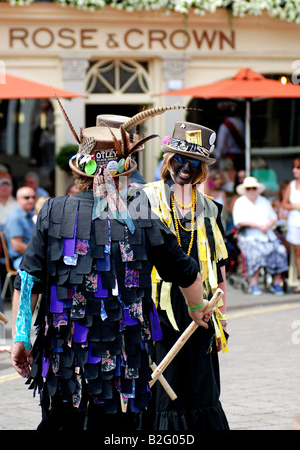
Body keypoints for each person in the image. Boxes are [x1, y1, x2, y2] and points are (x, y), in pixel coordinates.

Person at [11, 110, 211, 432]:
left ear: (80, 170)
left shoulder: (51, 210)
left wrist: (20, 336)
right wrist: (197, 307)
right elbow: (186, 271)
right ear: (124, 172)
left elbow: (29, 280)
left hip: (65, 362)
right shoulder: (141, 213)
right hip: (123, 363)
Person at [141, 121, 229, 430]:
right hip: (158, 309)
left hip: (201, 308)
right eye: (180, 159)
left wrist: (221, 322)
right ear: (167, 160)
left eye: (195, 162)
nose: (186, 168)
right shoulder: (144, 200)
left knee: (201, 387)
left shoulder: (211, 208)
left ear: (203, 168)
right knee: (166, 390)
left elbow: (219, 267)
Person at [232, 176, 288, 295]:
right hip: (249, 236)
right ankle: (254, 283)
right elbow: (239, 221)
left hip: (267, 235)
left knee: (280, 250)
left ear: (257, 189)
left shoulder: (264, 201)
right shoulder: (240, 202)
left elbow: (273, 218)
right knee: (256, 253)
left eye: (254, 188)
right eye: (249, 188)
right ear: (245, 190)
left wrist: (267, 225)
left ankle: (276, 283)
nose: (252, 191)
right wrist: (258, 226)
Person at [4, 186, 36, 270]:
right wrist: (39, 252)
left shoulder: (32, 215)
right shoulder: (15, 217)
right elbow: (17, 246)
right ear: (18, 199)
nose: (31, 200)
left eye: (33, 197)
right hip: (21, 259)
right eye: (26, 197)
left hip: (32, 256)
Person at [281, 158, 300, 292]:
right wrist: (295, 206)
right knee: (298, 252)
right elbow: (284, 204)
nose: (295, 170)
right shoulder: (291, 185)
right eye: (294, 167)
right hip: (295, 222)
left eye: (298, 167)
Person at [214, 100, 245, 171]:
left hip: (229, 158)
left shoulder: (225, 125)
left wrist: (217, 158)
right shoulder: (241, 123)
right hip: (240, 156)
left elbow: (221, 143)